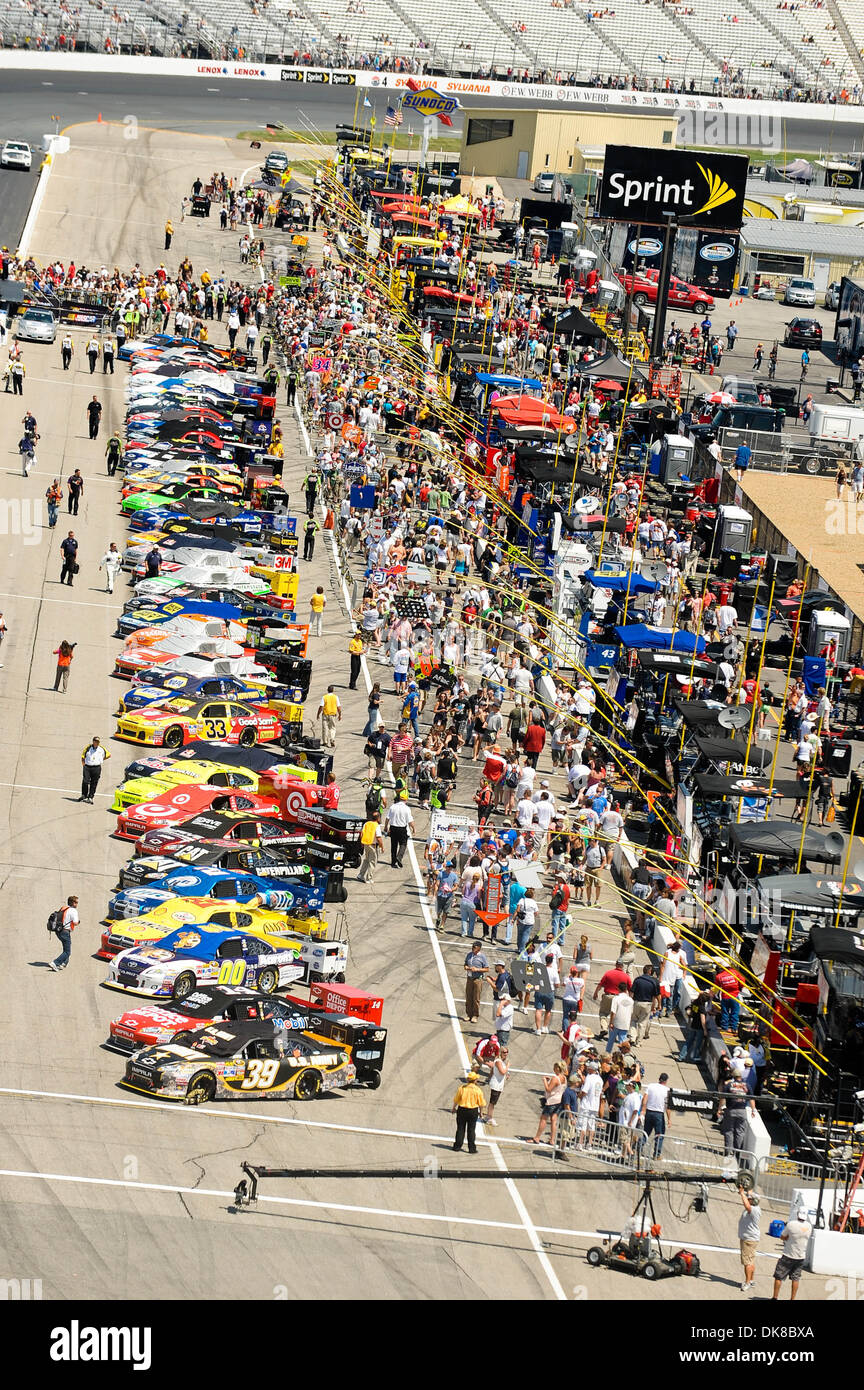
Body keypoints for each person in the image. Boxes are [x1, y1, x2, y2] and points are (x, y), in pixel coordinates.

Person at [772, 1210, 812, 1301]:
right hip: (801, 1256)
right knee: (795, 1278)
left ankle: (775, 1297)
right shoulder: (809, 1226)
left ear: (798, 1214)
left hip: (788, 1255)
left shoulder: (791, 1224)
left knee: (779, 1276)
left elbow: (782, 1236)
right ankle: (792, 1299)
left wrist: (788, 1238)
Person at [717, 1071, 756, 1158]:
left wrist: (719, 1109)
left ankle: (728, 1151)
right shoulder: (747, 1085)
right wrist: (753, 1110)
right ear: (740, 1076)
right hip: (742, 1111)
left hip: (730, 1110)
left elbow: (723, 1098)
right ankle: (737, 1152)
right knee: (740, 1132)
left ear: (733, 1076)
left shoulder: (729, 1085)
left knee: (728, 1131)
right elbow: (752, 1099)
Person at [533, 1061, 568, 1147]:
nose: (553, 1069)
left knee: (543, 1119)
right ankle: (552, 1139)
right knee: (554, 1120)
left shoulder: (556, 1078)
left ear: (557, 1068)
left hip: (552, 1101)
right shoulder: (564, 1078)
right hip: (559, 1101)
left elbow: (548, 1089)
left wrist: (545, 1081)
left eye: (554, 1067)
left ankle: (537, 1137)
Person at [451, 1072, 486, 1153]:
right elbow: (481, 1104)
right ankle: (472, 1148)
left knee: (460, 1129)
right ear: (475, 1080)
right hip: (473, 1111)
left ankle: (457, 1146)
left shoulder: (462, 1088)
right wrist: (481, 1113)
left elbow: (456, 1100)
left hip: (462, 1110)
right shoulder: (478, 1090)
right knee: (471, 1130)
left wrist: (453, 1108)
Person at [640, 1072, 671, 1157]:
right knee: (659, 1135)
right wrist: (669, 1119)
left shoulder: (651, 1086)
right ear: (666, 1080)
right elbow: (668, 1106)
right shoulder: (667, 1090)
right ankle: (657, 1154)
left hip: (649, 1112)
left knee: (646, 1132)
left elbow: (645, 1099)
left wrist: (643, 1109)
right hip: (659, 1114)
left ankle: (638, 1148)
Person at [630, 963, 661, 1043]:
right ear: (651, 972)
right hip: (647, 1004)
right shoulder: (655, 982)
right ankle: (638, 1042)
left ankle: (632, 1037)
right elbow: (657, 995)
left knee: (633, 1020)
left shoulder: (637, 979)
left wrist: (630, 1001)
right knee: (642, 1023)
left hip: (636, 1002)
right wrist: (659, 1005)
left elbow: (631, 992)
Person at [738, 1186, 761, 1292]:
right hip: (750, 1238)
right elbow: (750, 1193)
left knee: (747, 1262)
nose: (748, 1198)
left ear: (753, 1201)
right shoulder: (754, 1206)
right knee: (751, 1261)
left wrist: (742, 1194)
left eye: (750, 1198)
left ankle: (747, 1282)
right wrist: (746, 1189)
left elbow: (747, 1205)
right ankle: (751, 1280)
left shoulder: (754, 1209)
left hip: (749, 1240)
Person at [50, 894, 79, 971]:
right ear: (73, 903)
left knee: (66, 948)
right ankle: (55, 963)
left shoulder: (63, 908)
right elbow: (75, 922)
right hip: (65, 932)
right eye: (76, 902)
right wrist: (78, 922)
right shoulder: (74, 911)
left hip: (58, 931)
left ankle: (63, 964)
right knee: (67, 952)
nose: (77, 904)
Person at [384, 797, 414, 868]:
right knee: (403, 843)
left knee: (393, 845)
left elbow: (387, 818)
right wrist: (413, 828)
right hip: (402, 828)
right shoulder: (407, 808)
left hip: (393, 828)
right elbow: (410, 821)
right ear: (405, 800)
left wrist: (385, 827)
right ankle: (399, 857)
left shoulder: (393, 807)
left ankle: (393, 862)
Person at [464, 941, 489, 1023]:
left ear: (479, 949)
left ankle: (475, 1015)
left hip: (478, 979)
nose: (473, 949)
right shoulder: (469, 955)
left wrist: (477, 969)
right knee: (468, 997)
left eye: (474, 948)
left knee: (476, 998)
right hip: (469, 978)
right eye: (472, 947)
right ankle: (469, 1014)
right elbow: (465, 964)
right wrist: (467, 967)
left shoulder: (482, 957)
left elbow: (487, 969)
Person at [80, 735, 109, 801]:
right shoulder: (88, 747)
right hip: (87, 767)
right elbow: (83, 756)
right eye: (95, 741)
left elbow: (108, 755)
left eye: (98, 742)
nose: (97, 743)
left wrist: (100, 760)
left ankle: (90, 797)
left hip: (97, 768)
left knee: (94, 782)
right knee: (85, 781)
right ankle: (84, 795)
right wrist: (84, 765)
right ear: (93, 741)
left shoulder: (101, 749)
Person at [357, 813, 384, 884]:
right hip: (372, 845)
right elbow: (379, 838)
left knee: (366, 860)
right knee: (372, 862)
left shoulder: (367, 823)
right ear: (378, 818)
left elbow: (361, 834)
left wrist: (362, 843)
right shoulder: (376, 826)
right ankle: (369, 878)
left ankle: (361, 875)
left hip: (366, 844)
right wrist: (382, 847)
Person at [485, 1047, 509, 1125]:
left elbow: (501, 1072)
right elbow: (502, 1072)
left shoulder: (501, 1061)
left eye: (507, 1052)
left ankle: (488, 1116)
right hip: (496, 1084)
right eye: (504, 1052)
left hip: (499, 1085)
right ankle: (489, 1117)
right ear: (500, 1052)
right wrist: (508, 1066)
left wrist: (506, 1075)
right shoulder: (498, 1061)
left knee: (493, 1102)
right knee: (492, 1102)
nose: (506, 1054)